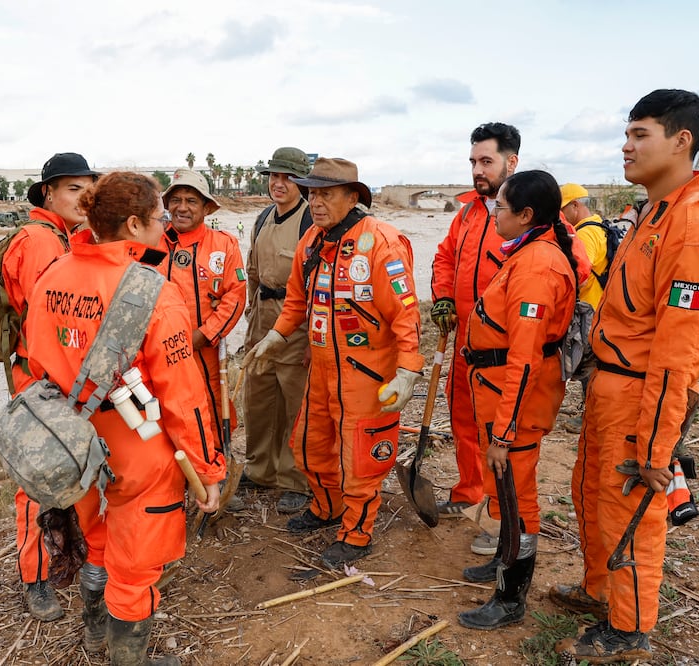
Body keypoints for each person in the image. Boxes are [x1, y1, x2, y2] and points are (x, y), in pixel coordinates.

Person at [553, 90, 699, 663]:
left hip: (643, 393)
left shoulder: (696, 230)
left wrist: (658, 444)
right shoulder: (654, 214)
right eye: (628, 133)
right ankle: (599, 590)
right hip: (609, 384)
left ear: (680, 140)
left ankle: (630, 627)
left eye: (640, 134)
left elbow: (679, 351)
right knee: (590, 492)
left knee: (630, 509)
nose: (626, 145)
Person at [23, 171, 223, 666]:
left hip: (72, 445)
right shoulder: (153, 291)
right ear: (134, 224)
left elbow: (36, 364)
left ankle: (95, 638)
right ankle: (126, 659)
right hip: (138, 449)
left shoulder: (55, 274)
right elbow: (185, 397)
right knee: (134, 567)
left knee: (96, 543)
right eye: (159, 218)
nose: (165, 227)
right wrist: (210, 470)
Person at [243, 158, 423, 569]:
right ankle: (327, 508)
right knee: (310, 445)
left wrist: (408, 371)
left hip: (368, 375)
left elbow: (405, 313)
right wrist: (274, 336)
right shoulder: (312, 242)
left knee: (360, 458)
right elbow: (296, 301)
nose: (315, 201)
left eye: (325, 193)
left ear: (352, 196)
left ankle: (357, 533)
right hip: (322, 369)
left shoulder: (381, 242)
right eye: (312, 192)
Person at [455, 170, 578, 630]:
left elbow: (524, 358)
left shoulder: (537, 267)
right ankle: (503, 558)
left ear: (526, 215)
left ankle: (511, 597)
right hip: (496, 394)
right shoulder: (526, 253)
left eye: (500, 207)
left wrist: (504, 433)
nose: (493, 213)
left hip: (515, 404)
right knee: (502, 491)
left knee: (517, 497)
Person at [5, 152, 100, 621]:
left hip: (57, 379)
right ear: (48, 193)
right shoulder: (41, 243)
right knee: (37, 483)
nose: (84, 198)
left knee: (66, 475)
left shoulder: (64, 236)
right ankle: (35, 579)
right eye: (73, 189)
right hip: (41, 381)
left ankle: (66, 556)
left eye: (89, 189)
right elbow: (50, 323)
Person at [430, 123, 520, 549]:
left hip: (503, 351)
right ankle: (469, 492)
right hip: (465, 342)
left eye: (486, 161)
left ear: (511, 162)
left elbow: (566, 266)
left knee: (499, 433)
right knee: (463, 421)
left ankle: (503, 521)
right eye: (473, 162)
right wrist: (443, 297)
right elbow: (445, 256)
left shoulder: (528, 210)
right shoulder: (467, 212)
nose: (478, 170)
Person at [241, 147, 313, 514]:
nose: (278, 183)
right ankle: (259, 469)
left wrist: (313, 343)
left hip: (296, 326)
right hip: (261, 323)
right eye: (274, 176)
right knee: (259, 401)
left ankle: (296, 478)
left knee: (295, 406)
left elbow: (317, 286)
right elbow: (252, 274)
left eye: (287, 177)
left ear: (301, 181)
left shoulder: (310, 222)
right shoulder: (262, 218)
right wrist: (251, 321)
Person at [157, 169, 247, 455]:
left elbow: (235, 294)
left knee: (213, 410)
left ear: (206, 207)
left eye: (191, 201)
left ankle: (217, 471)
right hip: (158, 351)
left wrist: (203, 335)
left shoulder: (224, 244)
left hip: (204, 349)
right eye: (176, 200)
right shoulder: (152, 243)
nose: (182, 207)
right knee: (165, 411)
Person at [558, 183, 610, 433]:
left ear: (575, 206)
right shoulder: (598, 225)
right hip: (599, 308)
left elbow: (582, 274)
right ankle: (592, 413)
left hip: (591, 309)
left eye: (562, 211)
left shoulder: (586, 234)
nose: (560, 217)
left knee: (590, 367)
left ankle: (592, 417)